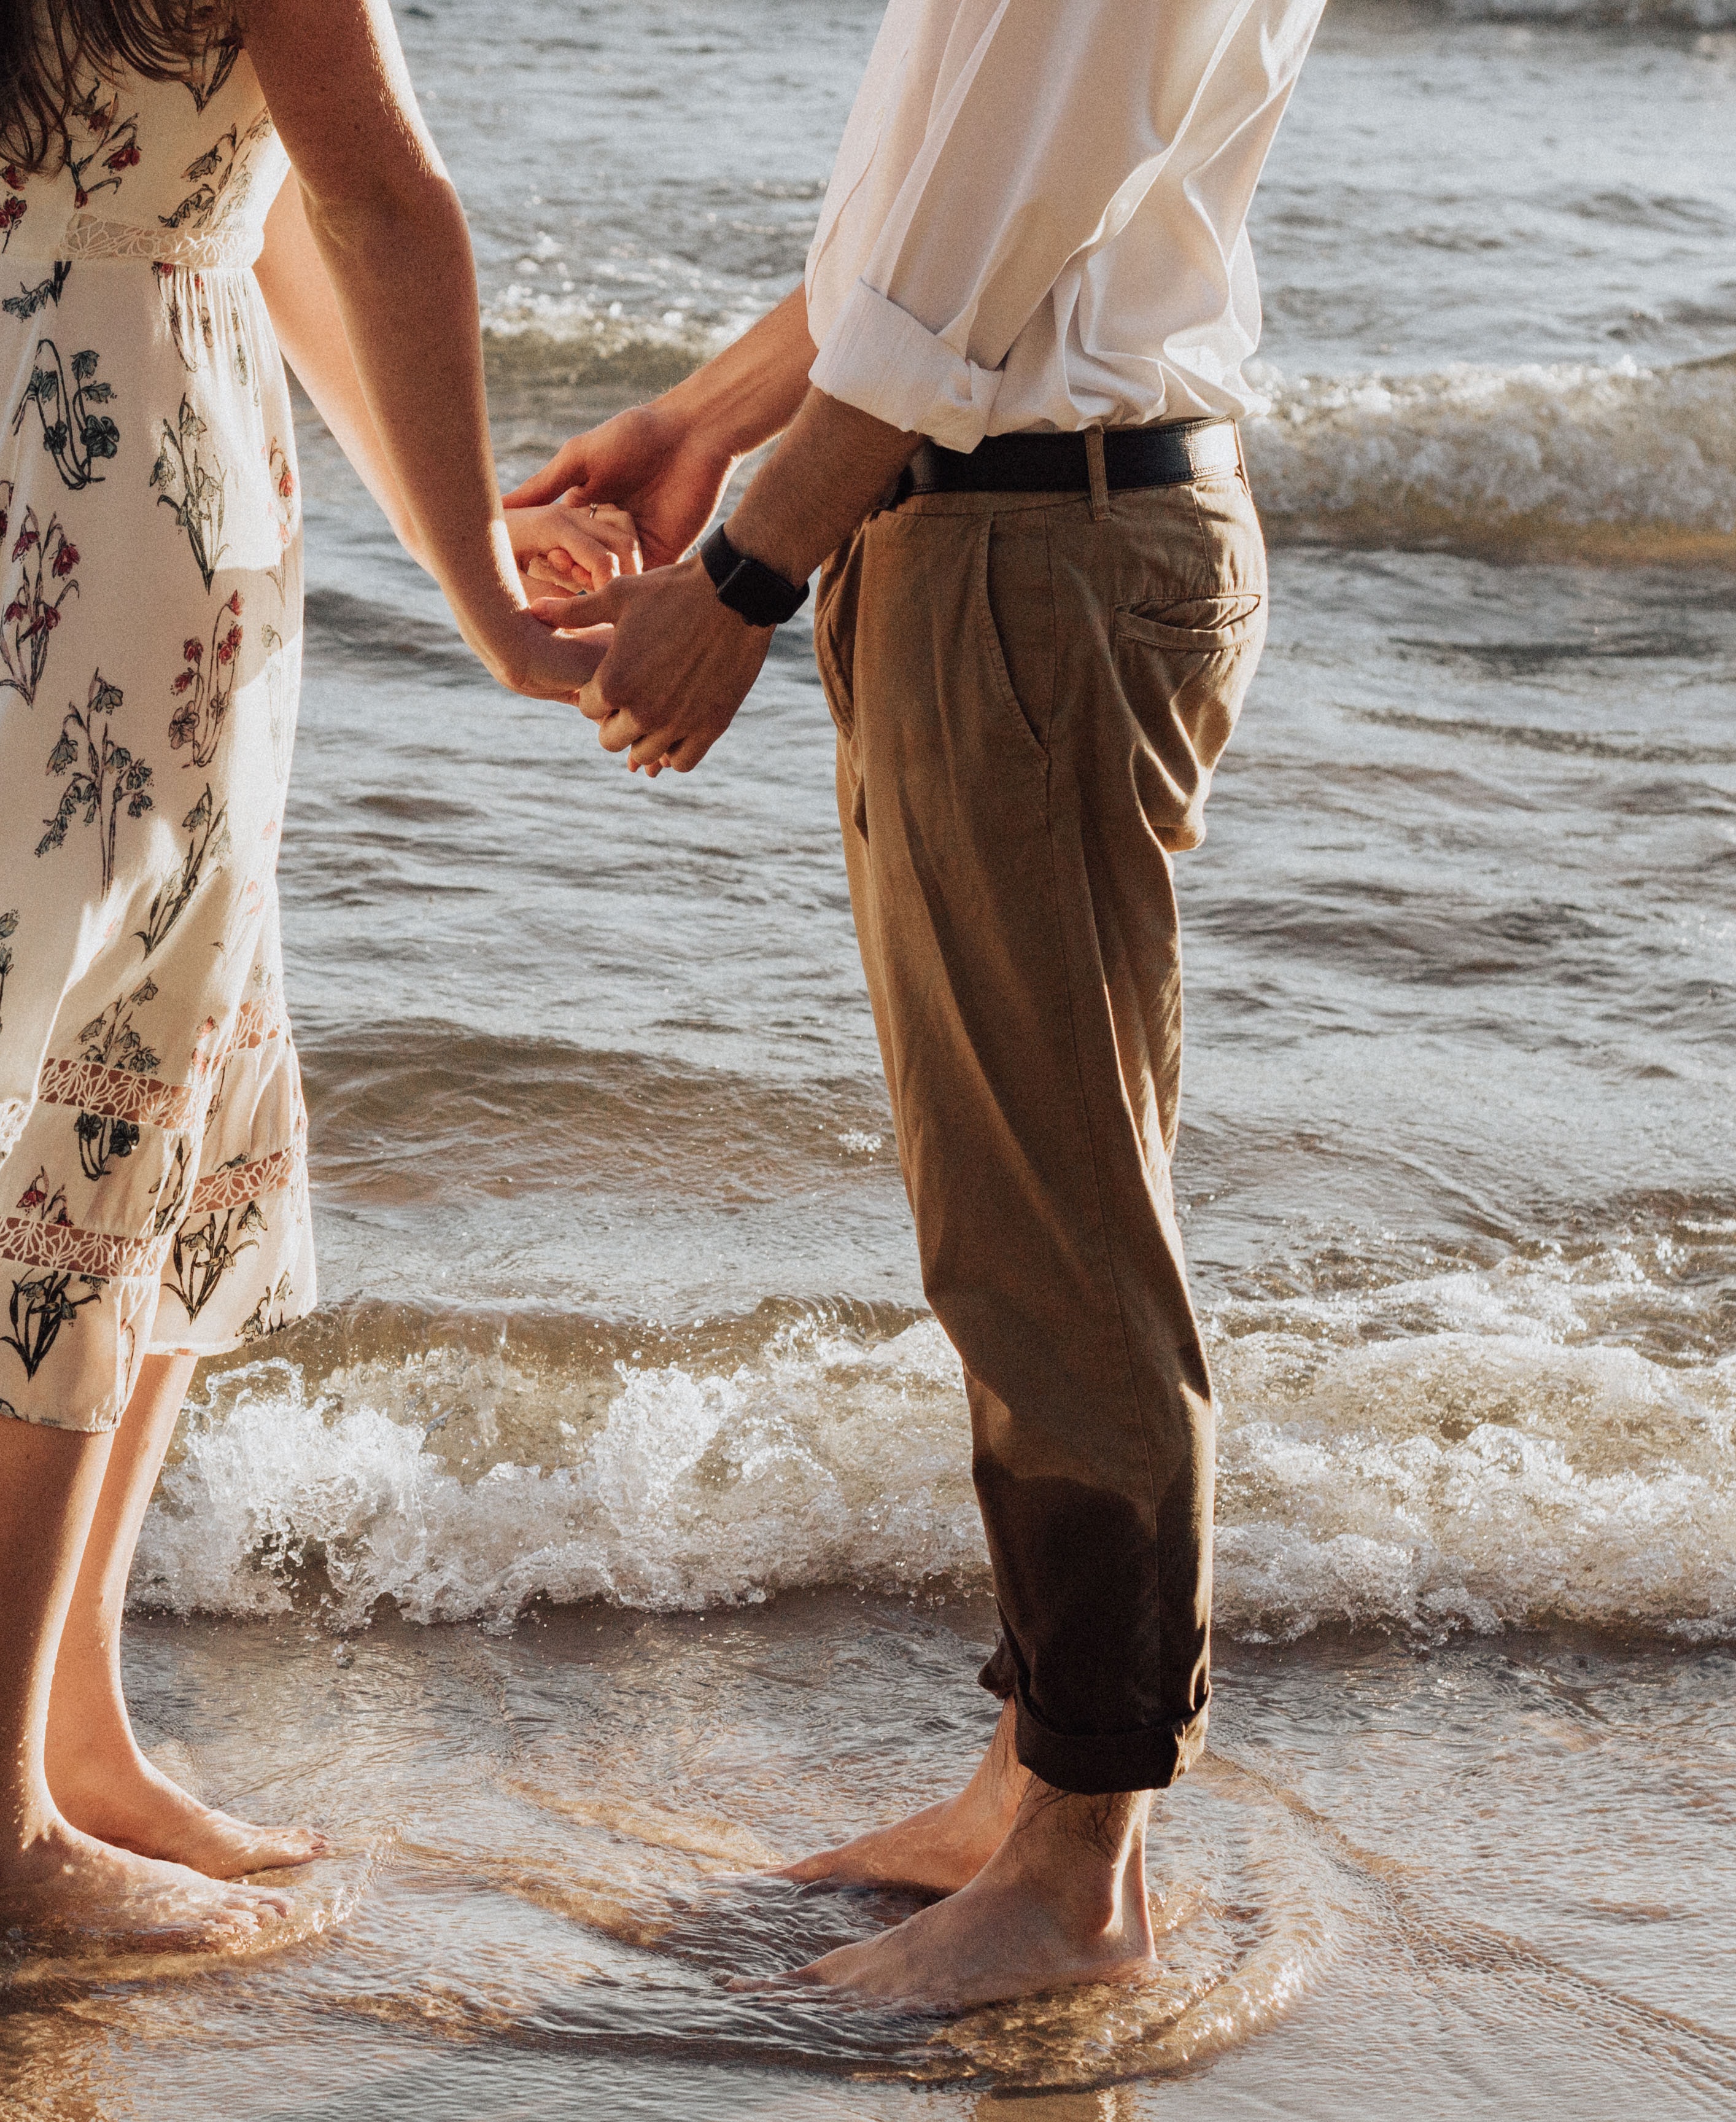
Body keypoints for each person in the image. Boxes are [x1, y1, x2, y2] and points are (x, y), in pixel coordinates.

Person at [0, 0, 619, 1946]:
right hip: (103, 468)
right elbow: (385, 203)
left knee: (141, 1063)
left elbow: (259, 199)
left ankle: (63, 1738)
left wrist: (463, 545)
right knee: (80, 1098)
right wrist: (504, 616)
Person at [515, 0, 1325, 2010]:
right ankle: (1035, 1788)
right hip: (1001, 522)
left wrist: (745, 568)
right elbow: (949, 232)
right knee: (1005, 1218)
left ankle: (1078, 1881)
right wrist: (710, 419)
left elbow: (966, 267)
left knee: (1058, 1234)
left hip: (1039, 543)